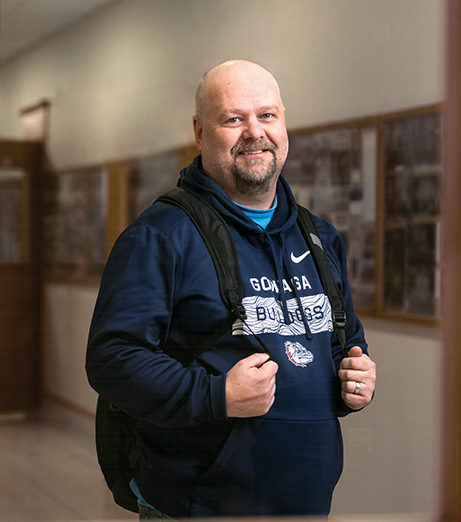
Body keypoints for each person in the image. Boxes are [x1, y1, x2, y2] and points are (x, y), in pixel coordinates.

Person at [86, 59, 376, 520]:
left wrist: (354, 379)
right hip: (199, 506)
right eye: (233, 119)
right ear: (201, 133)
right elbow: (113, 360)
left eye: (266, 115)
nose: (254, 132)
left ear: (284, 124)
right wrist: (216, 396)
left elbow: (343, 343)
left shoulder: (319, 237)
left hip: (306, 504)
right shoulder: (161, 236)